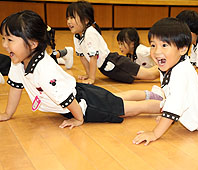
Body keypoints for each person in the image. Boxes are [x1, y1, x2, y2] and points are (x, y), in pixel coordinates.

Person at [0, 10, 162, 129]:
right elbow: (15, 87)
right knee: (115, 98)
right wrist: (8, 114)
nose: (4, 45)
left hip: (84, 103)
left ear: (33, 43)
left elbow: (68, 99)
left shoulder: (44, 71)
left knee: (129, 109)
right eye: (3, 39)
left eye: (10, 40)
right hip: (79, 94)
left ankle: (168, 107)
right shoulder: (18, 62)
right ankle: (150, 95)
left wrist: (78, 119)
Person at [132, 17, 198, 145]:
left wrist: (155, 133)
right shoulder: (171, 65)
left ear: (182, 49)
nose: (157, 51)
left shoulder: (181, 72)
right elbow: (174, 97)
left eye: (164, 45)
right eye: (153, 45)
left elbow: (175, 104)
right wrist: (168, 118)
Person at [66, 1, 159, 84]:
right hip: (108, 68)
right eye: (68, 18)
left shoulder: (90, 32)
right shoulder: (77, 36)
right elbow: (83, 57)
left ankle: (170, 67)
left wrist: (91, 78)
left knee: (151, 75)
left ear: (86, 20)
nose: (69, 22)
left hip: (116, 63)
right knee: (145, 74)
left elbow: (93, 58)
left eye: (72, 18)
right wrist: (88, 74)